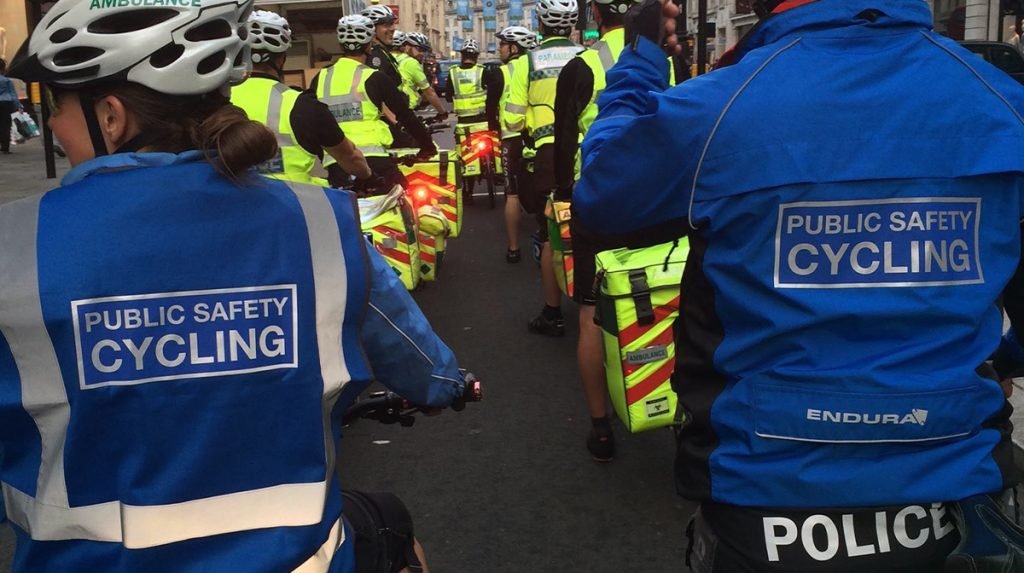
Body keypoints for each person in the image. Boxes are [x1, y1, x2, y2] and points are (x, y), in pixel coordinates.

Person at [1, 1, 464, 571]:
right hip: (296, 559)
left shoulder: (13, 246)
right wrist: (447, 386)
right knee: (391, 526)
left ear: (113, 117)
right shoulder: (321, 224)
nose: (51, 124)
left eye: (57, 106)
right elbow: (419, 359)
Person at [574, 0, 1024, 570]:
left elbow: (603, 195)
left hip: (767, 493)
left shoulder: (724, 106)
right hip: (960, 491)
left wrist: (640, 59)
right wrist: (996, 351)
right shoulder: (999, 101)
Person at [550, 0, 647, 462]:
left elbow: (565, 135)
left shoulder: (582, 65)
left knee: (591, 309)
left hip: (600, 197)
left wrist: (564, 193)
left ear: (595, 13)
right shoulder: (667, 59)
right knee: (670, 294)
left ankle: (601, 428)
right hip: (658, 196)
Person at [503, 0, 583, 337]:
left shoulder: (527, 62)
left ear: (541, 23)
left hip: (547, 154)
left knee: (553, 228)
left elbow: (512, 117)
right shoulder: (586, 55)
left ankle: (553, 314)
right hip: (585, 148)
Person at [231, 10, 373, 187]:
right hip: (296, 207)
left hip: (232, 206)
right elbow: (350, 157)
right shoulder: (302, 105)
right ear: (283, 58)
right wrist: (367, 174)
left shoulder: (217, 103)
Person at [310, 15, 436, 191]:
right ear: (370, 44)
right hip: (374, 160)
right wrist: (427, 146)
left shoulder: (320, 77)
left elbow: (314, 122)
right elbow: (405, 116)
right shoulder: (374, 77)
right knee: (404, 200)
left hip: (337, 163)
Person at [487, 26, 537, 263]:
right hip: (537, 136)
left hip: (511, 138)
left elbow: (491, 106)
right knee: (546, 188)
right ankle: (546, 238)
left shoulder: (500, 72)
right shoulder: (535, 67)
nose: (499, 48)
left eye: (503, 44)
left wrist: (493, 127)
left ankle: (514, 248)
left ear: (514, 47)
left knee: (512, 193)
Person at [400, 32, 447, 120]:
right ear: (407, 47)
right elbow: (429, 92)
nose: (422, 53)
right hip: (405, 111)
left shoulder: (397, 59)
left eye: (424, 51)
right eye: (419, 49)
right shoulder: (411, 62)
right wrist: (442, 112)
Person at [362, 4, 402, 86]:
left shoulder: (381, 51)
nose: (392, 29)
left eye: (392, 24)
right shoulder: (374, 54)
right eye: (387, 25)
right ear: (371, 29)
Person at [0, 58, 22, 155]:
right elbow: (13, 94)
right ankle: (5, 147)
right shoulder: (7, 80)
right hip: (6, 102)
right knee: (5, 125)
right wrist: (19, 105)